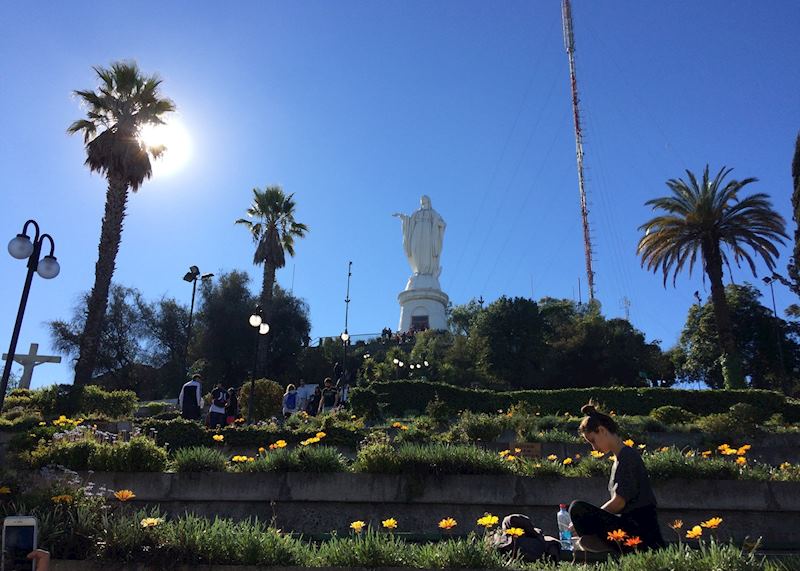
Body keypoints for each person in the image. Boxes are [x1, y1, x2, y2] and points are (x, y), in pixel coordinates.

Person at [569, 403, 666, 552]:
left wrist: (593, 518)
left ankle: (605, 544)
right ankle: (600, 542)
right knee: (580, 514)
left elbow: (619, 503)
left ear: (601, 430)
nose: (594, 448)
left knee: (578, 509)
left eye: (593, 441)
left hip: (641, 534)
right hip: (630, 527)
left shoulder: (627, 457)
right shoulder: (620, 458)